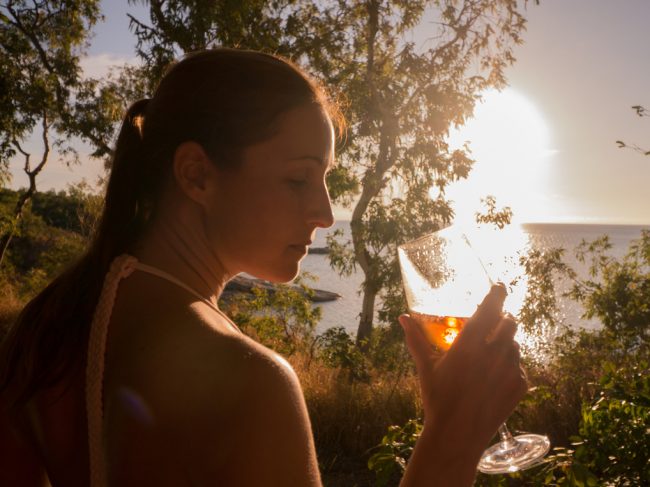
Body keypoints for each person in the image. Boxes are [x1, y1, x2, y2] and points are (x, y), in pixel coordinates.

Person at [0, 48, 526, 486]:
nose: (323, 212)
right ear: (196, 175)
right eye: (299, 180)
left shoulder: (46, 326)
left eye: (325, 180)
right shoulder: (251, 382)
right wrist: (451, 440)